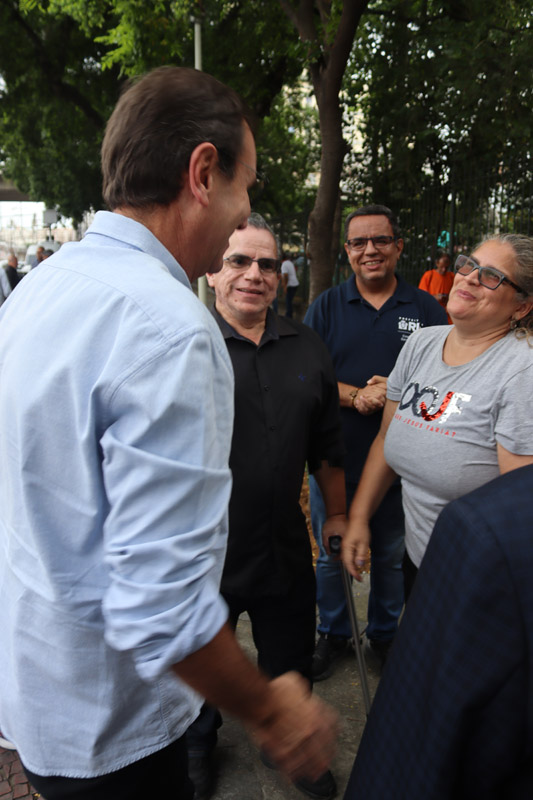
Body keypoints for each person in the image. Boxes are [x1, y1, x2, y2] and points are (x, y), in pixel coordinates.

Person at [0, 66, 337, 800]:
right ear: (202, 172)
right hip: (114, 729)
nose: (243, 213)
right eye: (245, 188)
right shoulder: (168, 328)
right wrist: (271, 709)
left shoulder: (45, 287)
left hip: (43, 697)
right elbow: (160, 606)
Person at [187, 213, 346, 800]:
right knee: (203, 666)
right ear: (214, 269)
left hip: (283, 546)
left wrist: (340, 515)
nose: (254, 274)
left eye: (266, 264)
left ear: (281, 276)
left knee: (291, 658)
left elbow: (328, 446)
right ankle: (199, 744)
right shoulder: (186, 344)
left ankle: (293, 743)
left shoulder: (308, 344)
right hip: (207, 553)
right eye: (239, 261)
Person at [343, 233, 533, 599]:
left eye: (492, 275)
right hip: (421, 560)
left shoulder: (521, 369)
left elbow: (520, 509)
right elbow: (385, 439)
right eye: (470, 265)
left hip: (482, 580)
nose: (470, 277)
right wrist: (359, 518)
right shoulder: (422, 343)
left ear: (521, 306)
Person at [304, 204, 447, 677]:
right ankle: (335, 632)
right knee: (331, 557)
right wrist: (356, 396)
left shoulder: (427, 310)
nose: (370, 250)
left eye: (381, 240)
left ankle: (385, 635)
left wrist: (393, 392)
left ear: (398, 246)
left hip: (404, 464)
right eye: (359, 242)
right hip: (337, 460)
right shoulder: (325, 307)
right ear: (347, 251)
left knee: (390, 556)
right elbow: (308, 377)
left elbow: (446, 377)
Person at [344, 464, 533, 800]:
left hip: (471, 574)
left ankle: (384, 636)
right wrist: (358, 515)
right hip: (427, 560)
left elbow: (409, 753)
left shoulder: (488, 529)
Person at [418, 251, 454, 320]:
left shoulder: (451, 276)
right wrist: (435, 297)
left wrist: (448, 297)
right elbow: (421, 297)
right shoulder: (428, 275)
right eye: (442, 267)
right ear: (437, 263)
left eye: (446, 268)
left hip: (446, 316)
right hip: (431, 315)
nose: (444, 270)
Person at [281, 251, 299, 318]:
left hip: (290, 285)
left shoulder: (284, 264)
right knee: (289, 300)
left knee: (288, 301)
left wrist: (285, 286)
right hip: (295, 284)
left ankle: (288, 316)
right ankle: (289, 314)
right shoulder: (289, 262)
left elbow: (285, 275)